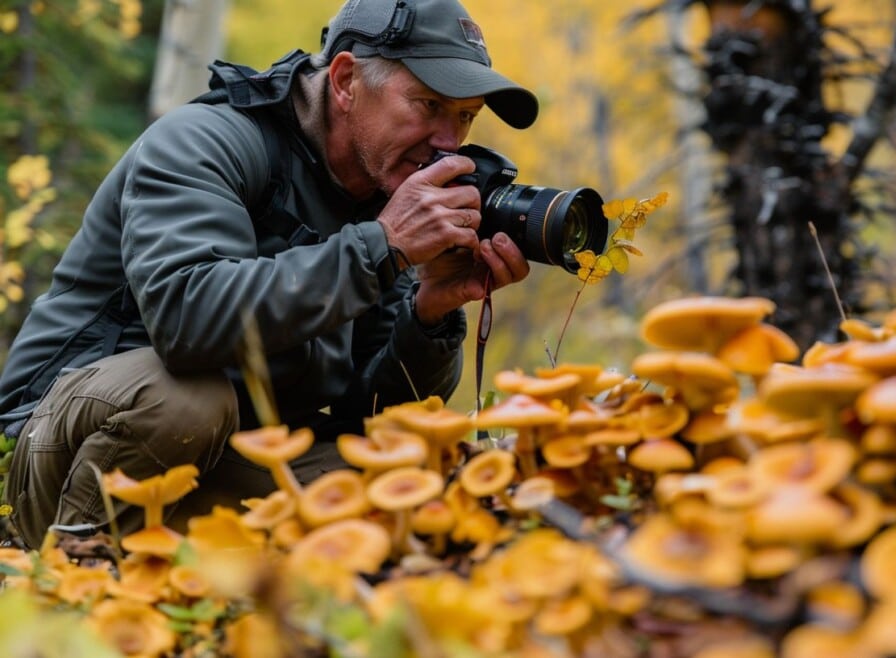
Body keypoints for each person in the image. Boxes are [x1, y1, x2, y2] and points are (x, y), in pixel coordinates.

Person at [0, 0, 537, 546]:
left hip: (218, 454)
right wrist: (382, 247)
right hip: (49, 445)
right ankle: (62, 579)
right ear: (347, 80)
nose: (449, 140)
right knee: (185, 399)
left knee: (419, 479)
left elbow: (373, 416)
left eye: (465, 116)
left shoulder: (384, 193)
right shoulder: (204, 140)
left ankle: (194, 605)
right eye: (429, 104)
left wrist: (430, 312)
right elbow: (189, 320)